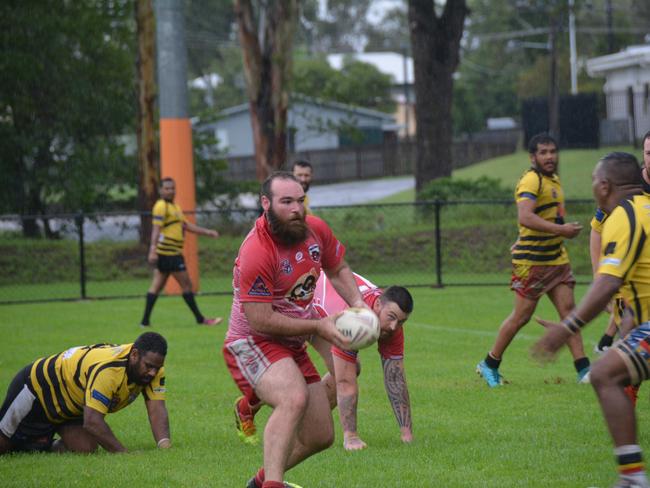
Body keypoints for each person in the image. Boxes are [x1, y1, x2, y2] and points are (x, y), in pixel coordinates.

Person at [222, 171, 366, 488]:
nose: (296, 209)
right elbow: (260, 319)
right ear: (266, 204)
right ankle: (274, 484)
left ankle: (260, 482)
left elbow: (337, 267)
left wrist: (359, 305)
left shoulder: (315, 230)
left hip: (298, 334)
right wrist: (319, 325)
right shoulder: (256, 250)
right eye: (286, 201)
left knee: (320, 434)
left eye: (300, 201)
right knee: (293, 398)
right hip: (252, 340)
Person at [532, 152, 648, 488]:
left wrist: (567, 329)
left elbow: (608, 282)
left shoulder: (623, 217)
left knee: (603, 374)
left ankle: (633, 478)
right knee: (615, 373)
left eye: (594, 181)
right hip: (642, 324)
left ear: (604, 186)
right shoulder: (644, 208)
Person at [476, 132, 590, 387]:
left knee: (569, 313)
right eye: (544, 152)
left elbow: (545, 217)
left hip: (556, 259)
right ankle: (490, 363)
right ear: (533, 157)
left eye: (553, 151)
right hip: (534, 263)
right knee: (521, 317)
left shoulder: (554, 180)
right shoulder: (531, 180)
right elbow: (525, 217)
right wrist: (562, 231)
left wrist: (557, 231)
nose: (550, 157)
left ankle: (584, 371)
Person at [0, 331, 170, 454]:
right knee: (3, 446)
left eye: (157, 367)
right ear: (134, 355)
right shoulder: (109, 371)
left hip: (72, 405)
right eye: (149, 366)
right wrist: (123, 452)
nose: (153, 373)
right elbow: (92, 421)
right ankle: (29, 441)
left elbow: (157, 409)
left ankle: (39, 443)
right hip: (37, 389)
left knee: (85, 448)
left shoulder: (153, 369)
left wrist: (165, 446)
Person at [313, 271, 414, 450]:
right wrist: (351, 437)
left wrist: (407, 434)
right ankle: (253, 403)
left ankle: (305, 420)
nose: (393, 327)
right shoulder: (354, 319)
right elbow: (344, 381)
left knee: (352, 368)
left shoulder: (393, 326)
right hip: (297, 305)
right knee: (288, 377)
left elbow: (395, 377)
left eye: (401, 322)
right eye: (391, 317)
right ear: (377, 305)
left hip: (321, 316)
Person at [140, 177, 222, 327]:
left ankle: (144, 322)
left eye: (172, 188)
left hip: (170, 253)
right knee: (186, 285)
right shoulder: (160, 206)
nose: (170, 191)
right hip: (169, 254)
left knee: (156, 287)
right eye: (167, 188)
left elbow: (186, 226)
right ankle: (200, 319)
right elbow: (156, 229)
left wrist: (207, 232)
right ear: (160, 190)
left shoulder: (175, 208)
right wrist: (152, 250)